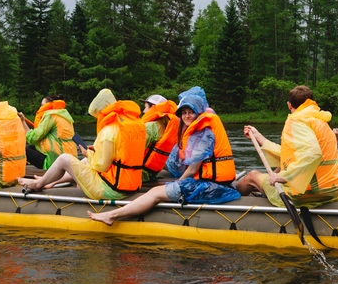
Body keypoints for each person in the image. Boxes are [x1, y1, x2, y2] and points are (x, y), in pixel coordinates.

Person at [87, 91, 240, 226]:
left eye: (191, 112)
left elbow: (193, 169)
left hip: (208, 186)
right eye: (184, 112)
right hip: (212, 182)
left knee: (155, 193)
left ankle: (111, 215)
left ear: (199, 113)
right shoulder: (201, 129)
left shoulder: (202, 134)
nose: (186, 116)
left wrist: (176, 185)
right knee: (161, 187)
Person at [18, 89, 147, 200]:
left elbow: (102, 166)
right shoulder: (133, 125)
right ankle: (48, 181)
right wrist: (90, 155)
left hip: (111, 189)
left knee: (64, 159)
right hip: (131, 185)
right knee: (84, 159)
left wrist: (88, 154)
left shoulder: (109, 131)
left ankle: (38, 185)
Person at [235, 85, 338, 208]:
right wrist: (258, 137)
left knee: (252, 175)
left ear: (289, 105)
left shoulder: (296, 121)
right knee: (277, 170)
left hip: (307, 193)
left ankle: (232, 201)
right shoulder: (320, 121)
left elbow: (313, 154)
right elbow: (289, 154)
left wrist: (283, 176)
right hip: (332, 190)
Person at [19, 94, 77, 170]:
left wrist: (22, 121)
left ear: (50, 105)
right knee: (30, 147)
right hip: (69, 162)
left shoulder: (51, 116)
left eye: (42, 105)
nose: (40, 108)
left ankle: (18, 172)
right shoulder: (64, 116)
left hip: (55, 163)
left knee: (21, 149)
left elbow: (32, 138)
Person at [139, 94, 179, 182]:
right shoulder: (167, 127)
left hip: (139, 175)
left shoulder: (150, 127)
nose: (143, 111)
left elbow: (136, 152)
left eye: (145, 107)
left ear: (153, 107)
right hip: (151, 174)